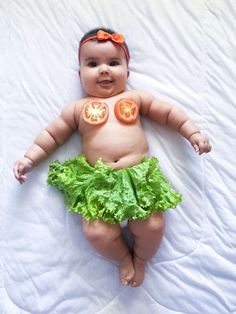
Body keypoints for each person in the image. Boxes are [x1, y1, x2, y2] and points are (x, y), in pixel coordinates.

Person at [13, 27, 212, 287]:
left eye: (113, 63)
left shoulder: (136, 98)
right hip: (100, 182)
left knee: (151, 226)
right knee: (96, 232)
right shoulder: (77, 109)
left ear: (128, 72)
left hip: (138, 178)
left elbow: (168, 113)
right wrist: (30, 159)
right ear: (80, 74)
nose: (104, 70)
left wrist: (193, 133)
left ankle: (140, 259)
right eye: (93, 64)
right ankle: (122, 259)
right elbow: (51, 136)